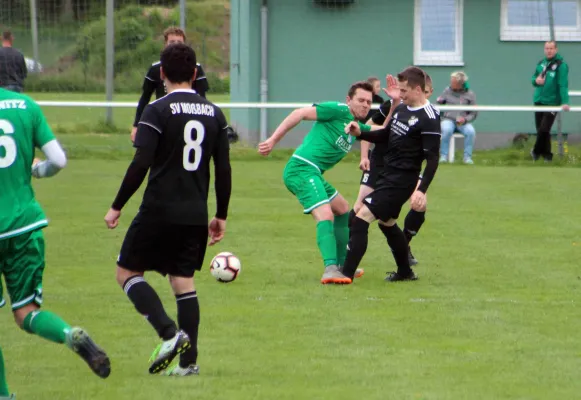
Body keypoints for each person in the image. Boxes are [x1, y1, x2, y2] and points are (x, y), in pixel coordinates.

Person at [105, 43, 232, 377]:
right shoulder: (215, 113)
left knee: (127, 273)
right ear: (194, 74)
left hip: (159, 209)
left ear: (161, 74)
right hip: (194, 213)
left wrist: (117, 205)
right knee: (183, 282)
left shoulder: (157, 110)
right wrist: (220, 215)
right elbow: (224, 168)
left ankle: (168, 333)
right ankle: (189, 364)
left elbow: (141, 161)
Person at [0, 87, 111, 398]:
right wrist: (37, 170)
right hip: (26, 225)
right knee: (28, 312)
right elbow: (59, 160)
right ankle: (68, 333)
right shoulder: (25, 105)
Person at [258, 81, 383, 284]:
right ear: (348, 100)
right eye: (361, 100)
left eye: (369, 102)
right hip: (300, 169)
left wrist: (396, 104)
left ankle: (343, 265)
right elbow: (299, 113)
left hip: (313, 173)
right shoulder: (338, 109)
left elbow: (380, 131)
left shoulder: (355, 126)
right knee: (325, 214)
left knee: (342, 208)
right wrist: (273, 140)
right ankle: (330, 268)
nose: (365, 105)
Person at [341, 67, 441, 284]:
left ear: (417, 89)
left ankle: (345, 274)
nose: (401, 94)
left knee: (360, 219)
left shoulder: (429, 117)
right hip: (387, 173)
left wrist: (421, 190)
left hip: (401, 181)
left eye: (404, 90)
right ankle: (405, 271)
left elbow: (432, 159)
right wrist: (362, 133)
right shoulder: (402, 108)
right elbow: (386, 134)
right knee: (387, 224)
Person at [130, 27, 209, 143]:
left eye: (179, 42)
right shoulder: (156, 69)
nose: (176, 46)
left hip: (189, 118)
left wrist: (205, 123)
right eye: (172, 42)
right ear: (165, 44)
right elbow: (144, 98)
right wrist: (136, 125)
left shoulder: (195, 68)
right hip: (163, 117)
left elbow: (202, 97)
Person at [531, 40, 570, 162]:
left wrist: (565, 101)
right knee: (541, 131)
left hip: (552, 102)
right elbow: (533, 78)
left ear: (556, 50)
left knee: (544, 129)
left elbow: (563, 85)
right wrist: (535, 81)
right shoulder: (541, 63)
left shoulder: (561, 65)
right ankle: (547, 155)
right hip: (539, 101)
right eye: (547, 48)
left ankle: (536, 151)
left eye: (551, 48)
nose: (549, 51)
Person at [437, 71, 477, 164]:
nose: (451, 84)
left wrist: (465, 119)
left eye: (453, 82)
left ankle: (467, 158)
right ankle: (443, 156)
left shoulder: (470, 94)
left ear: (460, 84)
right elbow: (439, 104)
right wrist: (439, 101)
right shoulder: (447, 91)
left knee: (470, 132)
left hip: (463, 122)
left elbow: (474, 112)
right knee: (446, 130)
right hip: (448, 119)